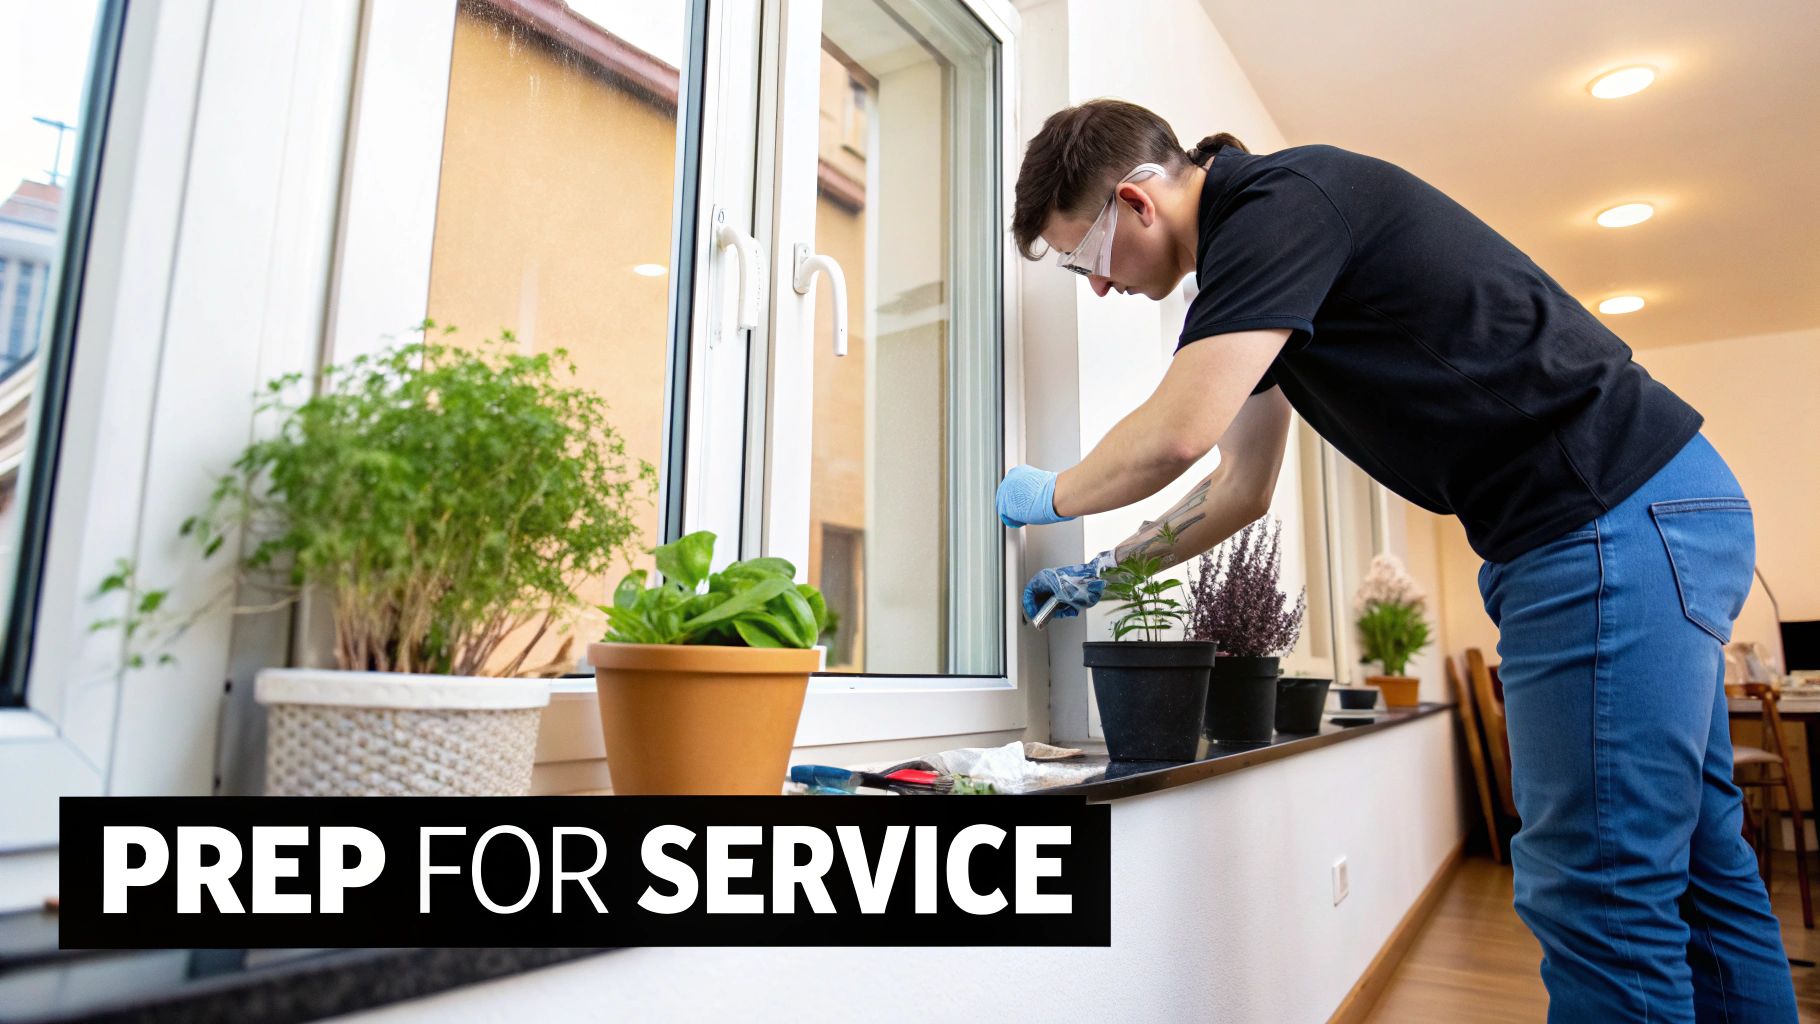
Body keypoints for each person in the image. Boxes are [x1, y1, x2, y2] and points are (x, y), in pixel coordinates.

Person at [999, 99, 1795, 1022]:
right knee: (1702, 868)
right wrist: (1115, 569)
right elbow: (1238, 488)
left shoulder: (1277, 208)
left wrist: (1050, 495)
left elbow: (1176, 432)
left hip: (1601, 513)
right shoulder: (1262, 263)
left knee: (1601, 898)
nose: (1096, 287)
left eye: (1083, 259)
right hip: (1645, 506)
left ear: (1137, 204)